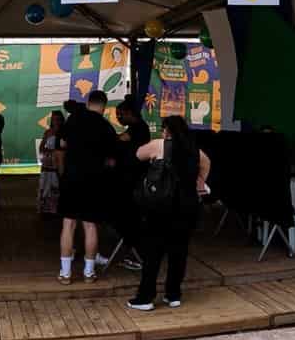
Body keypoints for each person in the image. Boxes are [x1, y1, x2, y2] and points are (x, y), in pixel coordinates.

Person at [128, 115, 210, 311]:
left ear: (167, 130)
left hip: (161, 207)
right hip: (187, 207)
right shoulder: (194, 150)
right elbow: (207, 163)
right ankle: (173, 295)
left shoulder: (159, 145)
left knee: (153, 253)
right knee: (179, 252)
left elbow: (137, 155)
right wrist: (199, 182)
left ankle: (145, 298)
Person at [57, 90, 117, 283]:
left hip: (71, 178)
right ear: (104, 106)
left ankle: (65, 273)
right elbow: (111, 161)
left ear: (88, 102)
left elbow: (62, 143)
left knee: (68, 224)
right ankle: (89, 272)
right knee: (90, 226)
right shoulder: (106, 127)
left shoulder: (73, 120)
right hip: (94, 181)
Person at [104, 101, 152, 274]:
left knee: (128, 215)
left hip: (134, 180)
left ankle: (137, 252)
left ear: (130, 113)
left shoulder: (138, 128)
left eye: (121, 114)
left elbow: (119, 140)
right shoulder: (134, 128)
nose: (118, 117)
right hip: (130, 178)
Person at [37, 110, 64, 215]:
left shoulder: (64, 132)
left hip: (59, 163)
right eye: (54, 119)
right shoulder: (48, 132)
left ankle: (57, 209)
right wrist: (49, 152)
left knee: (57, 184)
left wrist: (58, 153)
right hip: (48, 162)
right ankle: (45, 209)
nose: (56, 121)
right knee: (45, 184)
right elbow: (41, 147)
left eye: (58, 119)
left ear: (61, 120)